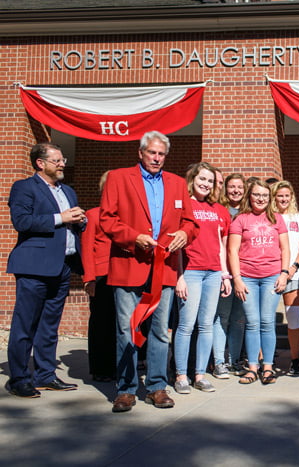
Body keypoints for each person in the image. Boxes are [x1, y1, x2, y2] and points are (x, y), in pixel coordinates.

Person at [101, 131, 198, 413]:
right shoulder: (119, 178)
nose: (157, 158)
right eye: (152, 153)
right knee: (126, 329)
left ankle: (157, 387)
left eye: (161, 154)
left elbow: (191, 223)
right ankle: (126, 389)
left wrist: (184, 232)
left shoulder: (177, 183)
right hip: (129, 264)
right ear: (141, 153)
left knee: (159, 331)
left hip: (164, 268)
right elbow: (107, 219)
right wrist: (134, 238)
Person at [5, 142, 85, 398]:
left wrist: (80, 221)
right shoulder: (24, 187)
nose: (63, 164)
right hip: (33, 268)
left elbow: (71, 224)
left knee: (50, 326)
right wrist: (60, 218)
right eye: (57, 160)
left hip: (62, 267)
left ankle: (45, 375)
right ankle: (19, 378)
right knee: (25, 325)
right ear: (40, 163)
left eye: (62, 160)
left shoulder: (68, 191)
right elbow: (22, 221)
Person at [173, 163, 232, 394]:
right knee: (186, 325)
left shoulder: (220, 210)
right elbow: (176, 245)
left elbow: (221, 246)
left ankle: (199, 374)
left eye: (210, 180)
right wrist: (179, 277)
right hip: (191, 272)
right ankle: (180, 375)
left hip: (213, 273)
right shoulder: (182, 205)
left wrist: (225, 275)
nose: (206, 184)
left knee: (206, 325)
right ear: (192, 179)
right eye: (202, 179)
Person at [229, 179, 290, 385]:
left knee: (267, 321)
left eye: (265, 195)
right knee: (252, 322)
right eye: (257, 194)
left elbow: (285, 249)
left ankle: (268, 367)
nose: (261, 198)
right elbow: (232, 251)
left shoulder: (277, 219)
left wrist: (284, 274)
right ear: (250, 196)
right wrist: (236, 278)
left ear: (269, 198)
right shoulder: (240, 220)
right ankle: (252, 367)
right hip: (247, 277)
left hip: (272, 276)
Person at [272, 181, 299, 374]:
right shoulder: (268, 217)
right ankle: (265, 362)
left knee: (293, 319)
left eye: (287, 195)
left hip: (294, 275)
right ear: (274, 197)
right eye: (280, 195)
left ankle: (295, 361)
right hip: (270, 273)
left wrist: (294, 266)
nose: (284, 199)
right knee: (265, 320)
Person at [82, 171, 116, 382]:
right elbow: (86, 249)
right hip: (102, 276)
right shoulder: (93, 215)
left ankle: (119, 365)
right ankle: (101, 368)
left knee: (121, 323)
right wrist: (89, 279)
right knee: (101, 322)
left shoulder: (125, 216)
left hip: (124, 275)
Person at [212, 173, 247, 379]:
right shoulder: (219, 210)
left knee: (239, 318)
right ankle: (219, 362)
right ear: (226, 188)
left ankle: (234, 360)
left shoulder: (249, 212)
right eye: (232, 186)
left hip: (244, 273)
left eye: (240, 187)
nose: (236, 190)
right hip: (224, 272)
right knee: (222, 317)